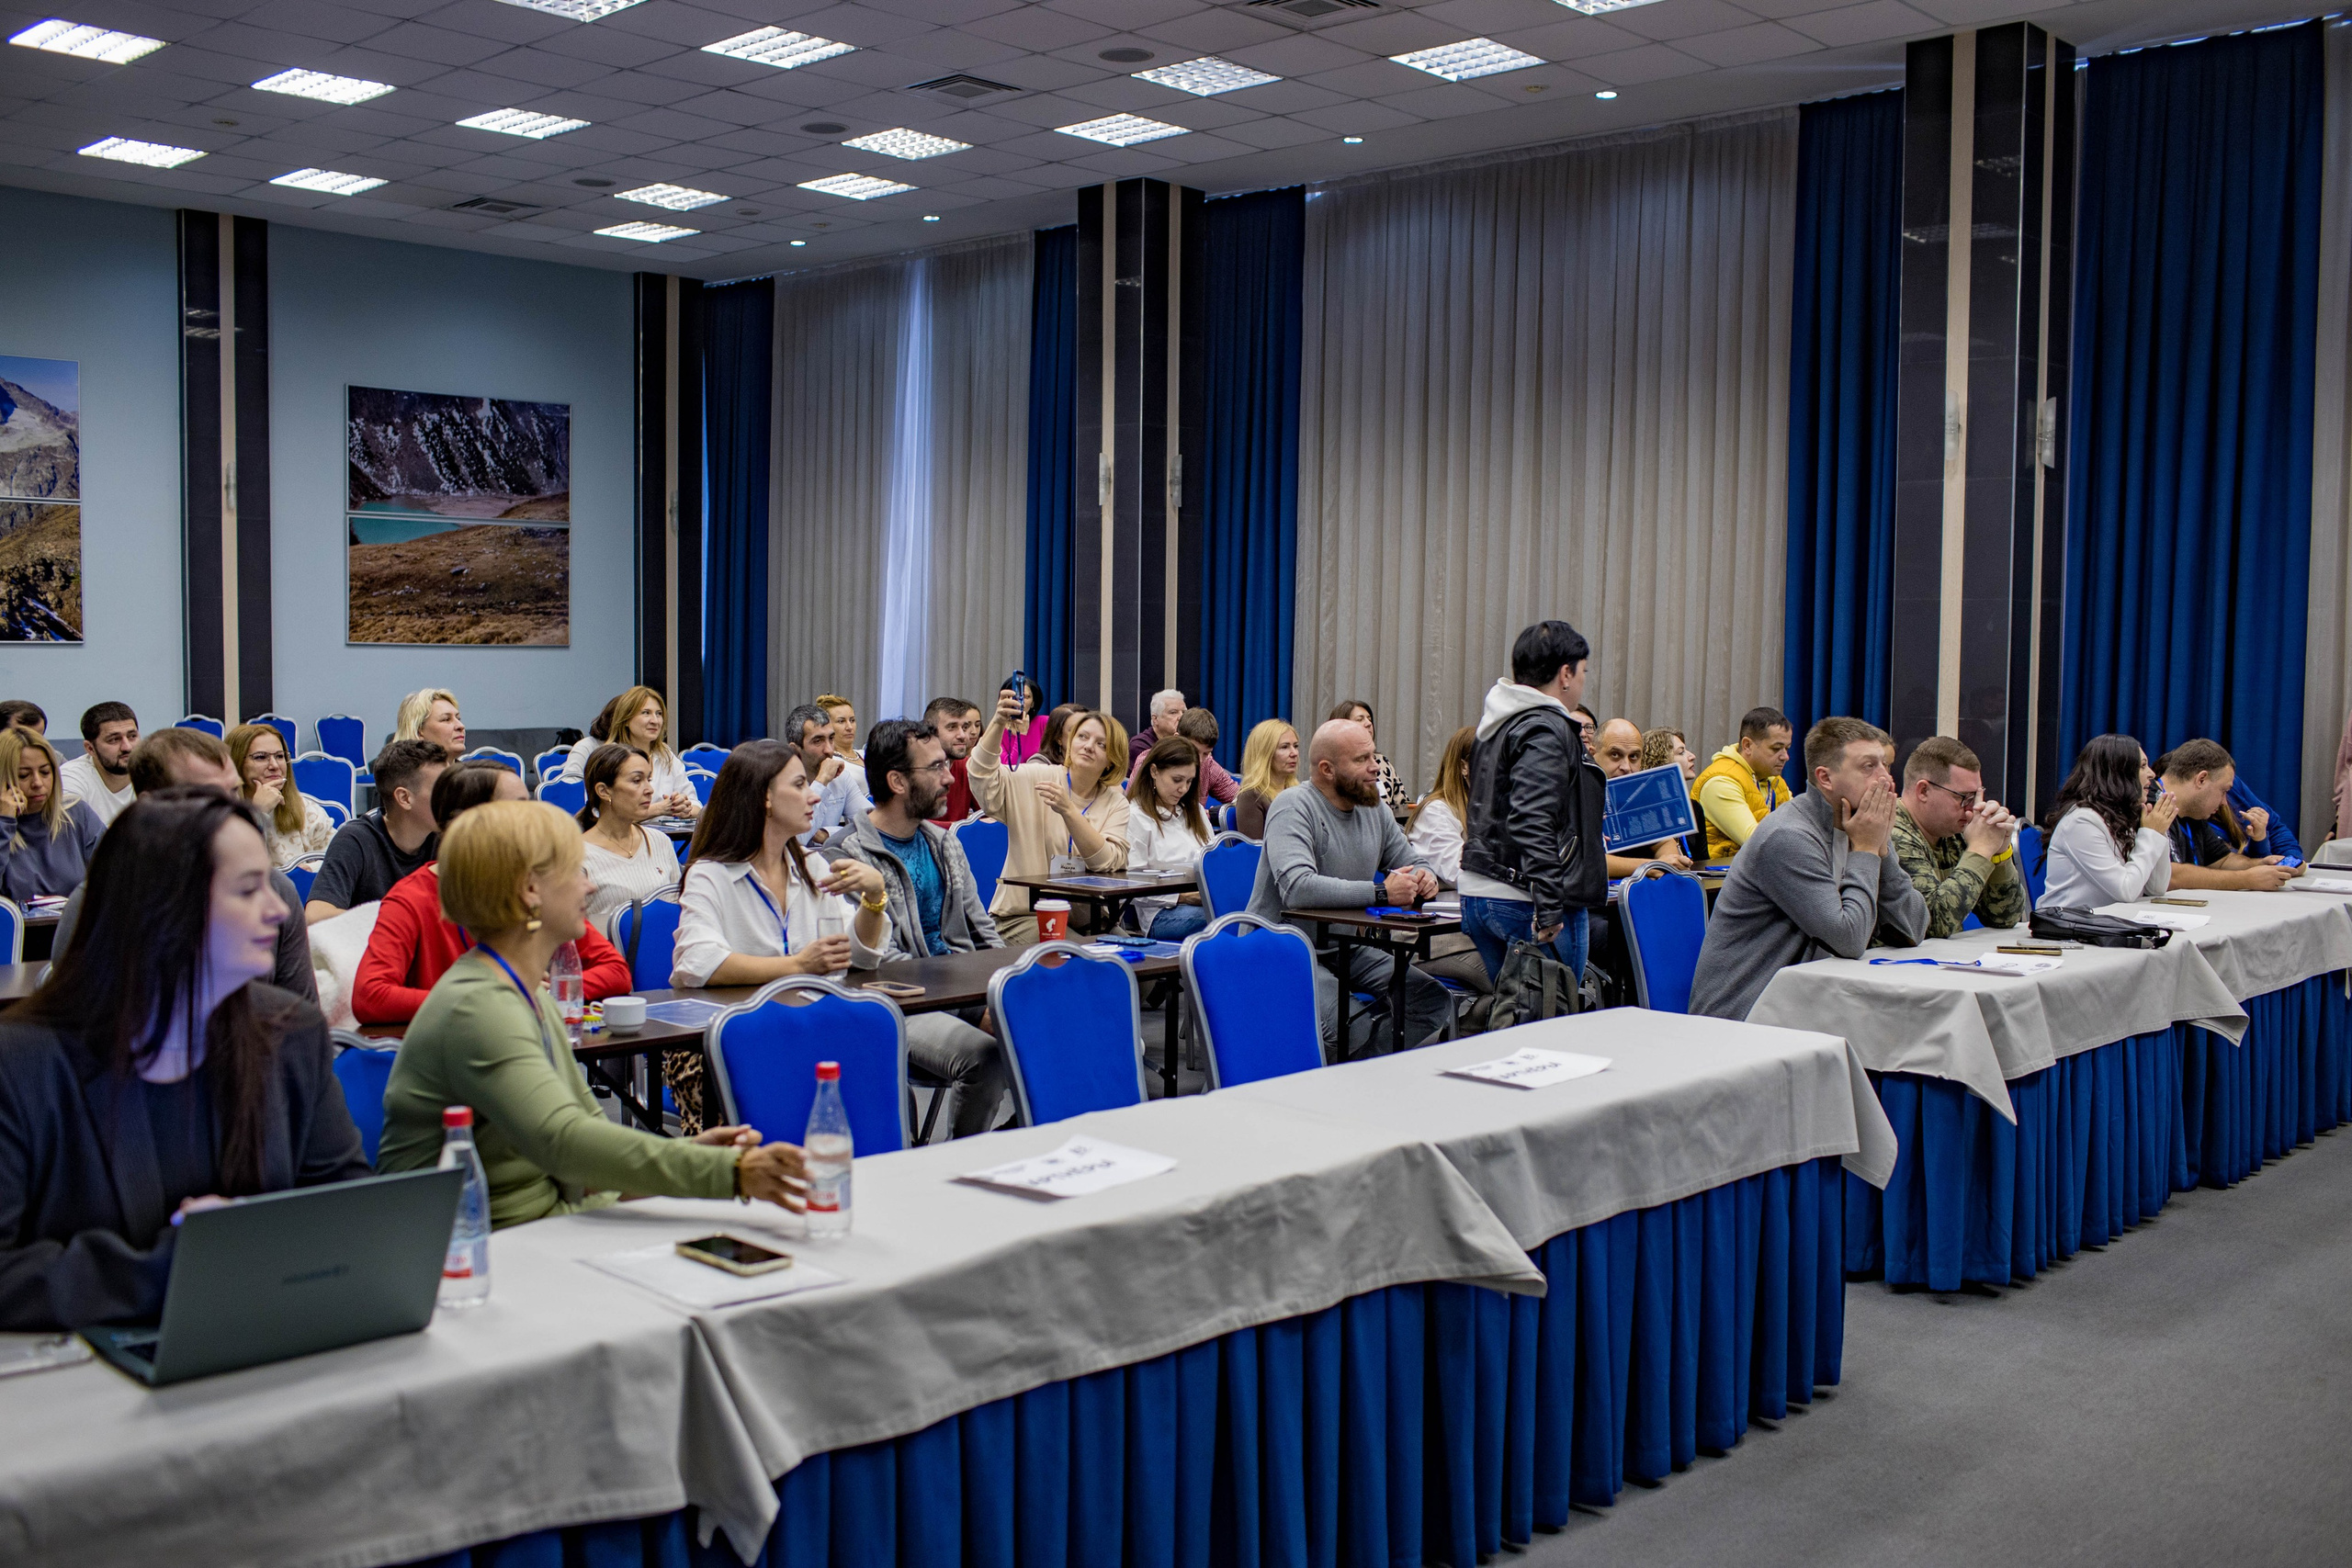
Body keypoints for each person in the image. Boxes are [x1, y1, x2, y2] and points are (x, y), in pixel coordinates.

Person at [0, 789, 369, 1330]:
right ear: (163, 907)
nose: (277, 908)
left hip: (263, 1339)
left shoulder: (289, 1032)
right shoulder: (23, 1063)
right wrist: (178, 1264)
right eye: (248, 889)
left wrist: (254, 1236)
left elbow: (350, 1206)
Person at [377, 801, 807, 1229]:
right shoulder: (477, 1008)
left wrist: (701, 1156)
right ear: (530, 890)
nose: (589, 887)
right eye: (575, 871)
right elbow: (567, 1143)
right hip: (474, 1253)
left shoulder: (528, 994)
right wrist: (727, 1172)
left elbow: (590, 1140)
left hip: (535, 1229)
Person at [830, 719, 1010, 1138]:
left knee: (1048, 1033)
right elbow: (881, 962)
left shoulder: (942, 842)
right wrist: (969, 1001)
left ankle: (1020, 1142)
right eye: (936, 768)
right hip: (895, 1003)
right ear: (897, 781)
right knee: (986, 1057)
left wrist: (1010, 980)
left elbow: (981, 926)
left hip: (958, 986)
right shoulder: (846, 854)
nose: (950, 778)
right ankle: (961, 1161)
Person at [351, 762, 633, 1028]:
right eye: (518, 809)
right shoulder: (411, 898)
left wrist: (542, 992)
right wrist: (493, 997)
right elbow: (371, 997)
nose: (532, 820)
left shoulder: (531, 886)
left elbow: (616, 972)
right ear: (475, 823)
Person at [51, 729, 317, 1003]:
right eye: (207, 796)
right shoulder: (98, 901)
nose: (231, 811)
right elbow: (76, 1027)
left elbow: (301, 1018)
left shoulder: (274, 892)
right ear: (150, 804)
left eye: (233, 791)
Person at [1688, 718, 1928, 1021]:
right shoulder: (1789, 837)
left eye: (1885, 766)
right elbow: (1848, 941)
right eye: (1869, 767)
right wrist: (1867, 850)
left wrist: (1881, 851)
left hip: (1810, 1000)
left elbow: (1914, 928)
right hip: (1747, 1013)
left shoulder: (1862, 824)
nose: (1886, 780)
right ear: (1825, 778)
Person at [1248, 719, 1446, 1054]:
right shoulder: (1293, 806)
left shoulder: (1374, 810)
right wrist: (1382, 893)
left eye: (1374, 756)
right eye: (1361, 760)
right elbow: (1298, 888)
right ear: (1327, 769)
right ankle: (1339, 1088)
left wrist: (1425, 878)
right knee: (1348, 1027)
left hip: (1345, 945)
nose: (1375, 769)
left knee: (1430, 1000)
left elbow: (1414, 861)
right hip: (1284, 947)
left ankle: (1363, 1079)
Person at [1459, 620, 1609, 983]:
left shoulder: (1497, 724)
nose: (1585, 681)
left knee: (1515, 1020)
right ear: (1566, 674)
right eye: (1584, 671)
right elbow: (1531, 818)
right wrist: (1550, 906)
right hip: (1524, 897)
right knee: (1549, 1023)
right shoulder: (1545, 727)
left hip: (1483, 889)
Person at [969, 692, 1131, 943]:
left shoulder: (1115, 801)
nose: (1088, 746)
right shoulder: (1039, 777)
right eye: (1082, 737)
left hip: (1088, 919)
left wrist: (1068, 810)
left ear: (1112, 760)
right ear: (1069, 743)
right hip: (1025, 916)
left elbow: (1107, 861)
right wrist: (999, 722)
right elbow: (982, 777)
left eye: (1101, 744)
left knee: (1140, 965)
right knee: (1083, 959)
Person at [1889, 737, 2029, 938]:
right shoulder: (1892, 832)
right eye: (1963, 798)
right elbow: (1934, 924)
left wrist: (1999, 854)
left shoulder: (1954, 831)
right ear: (1923, 790)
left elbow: (2005, 917)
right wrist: (1980, 849)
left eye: (1977, 797)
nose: (1973, 809)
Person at [304, 739, 448, 922]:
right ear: (404, 798)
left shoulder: (444, 838)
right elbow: (316, 916)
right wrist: (401, 918)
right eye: (441, 789)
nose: (451, 796)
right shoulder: (355, 840)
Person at [1404, 725, 1493, 1004]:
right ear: (1465, 767)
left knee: (1531, 973)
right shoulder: (1436, 811)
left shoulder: (1487, 809)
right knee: (1516, 978)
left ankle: (1473, 1032)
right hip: (1432, 940)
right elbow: (1463, 873)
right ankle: (1470, 1037)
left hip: (1471, 931)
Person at [2039, 734, 2177, 908]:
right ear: (2119, 774)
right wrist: (2151, 834)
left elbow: (2156, 887)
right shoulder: (2081, 822)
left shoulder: (2121, 815)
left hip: (2106, 925)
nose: (2152, 773)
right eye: (2142, 766)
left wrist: (2157, 832)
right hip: (2070, 929)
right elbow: (2126, 890)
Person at [2154, 739, 2300, 893]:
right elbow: (2166, 874)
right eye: (2224, 791)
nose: (2224, 802)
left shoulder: (2193, 813)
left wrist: (2260, 864)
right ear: (2201, 779)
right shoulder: (2149, 803)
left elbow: (2222, 861)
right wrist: (2247, 879)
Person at [577, 741, 684, 933]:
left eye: (649, 780)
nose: (649, 790)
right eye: (637, 781)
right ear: (603, 791)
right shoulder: (578, 855)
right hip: (607, 959)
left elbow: (678, 909)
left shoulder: (660, 841)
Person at [0, 728, 106, 901]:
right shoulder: (3, 826)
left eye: (45, 772)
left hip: (71, 925)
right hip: (19, 928)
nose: (37, 783)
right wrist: (4, 823)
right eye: (23, 775)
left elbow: (117, 875)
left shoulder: (77, 813)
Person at [560, 686, 697, 818]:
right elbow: (601, 816)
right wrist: (659, 809)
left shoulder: (665, 755)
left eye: (659, 714)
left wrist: (683, 808)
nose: (655, 721)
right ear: (626, 720)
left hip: (661, 839)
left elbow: (696, 806)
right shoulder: (607, 757)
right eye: (646, 713)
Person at [1125, 736, 1214, 940]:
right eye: (1177, 780)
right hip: (1161, 913)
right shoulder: (1136, 816)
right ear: (1154, 771)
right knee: (1222, 919)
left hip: (1203, 901)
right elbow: (1133, 886)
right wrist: (1184, 898)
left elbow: (1215, 864)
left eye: (1189, 781)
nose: (1183, 789)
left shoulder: (1197, 812)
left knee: (1244, 914)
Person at [226, 722, 334, 871]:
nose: (274, 766)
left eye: (280, 756)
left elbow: (340, 858)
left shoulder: (307, 810)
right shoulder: (219, 813)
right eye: (260, 757)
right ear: (237, 762)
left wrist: (310, 870)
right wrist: (257, 813)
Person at [1693, 707, 1795, 864]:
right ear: (1747, 745)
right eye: (1776, 748)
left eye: (1787, 748)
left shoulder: (1775, 781)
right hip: (1721, 884)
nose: (1785, 757)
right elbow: (1757, 842)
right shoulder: (1720, 781)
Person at [1591, 718, 1692, 875]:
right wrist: (1650, 866)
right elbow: (1586, 860)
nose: (1626, 767)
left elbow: (1664, 842)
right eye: (1615, 755)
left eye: (1634, 757)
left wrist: (1670, 861)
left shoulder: (1639, 794)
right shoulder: (1575, 793)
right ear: (1593, 754)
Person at [784, 702, 866, 848]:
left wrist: (826, 834)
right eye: (818, 741)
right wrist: (821, 782)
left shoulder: (842, 778)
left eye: (831, 738)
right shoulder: (781, 782)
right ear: (795, 750)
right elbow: (797, 840)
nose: (829, 750)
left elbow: (873, 826)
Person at [1125, 706, 1239, 807]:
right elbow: (1134, 806)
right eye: (1193, 750)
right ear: (1176, 738)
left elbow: (1239, 798)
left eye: (1206, 753)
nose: (1199, 760)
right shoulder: (1148, 760)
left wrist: (1210, 814)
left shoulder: (1208, 765)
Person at [57, 702, 137, 828]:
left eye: (132, 736)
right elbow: (74, 837)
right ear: (90, 749)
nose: (127, 747)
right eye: (114, 739)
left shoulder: (157, 773)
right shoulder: (71, 778)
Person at [1235, 719, 1301, 840]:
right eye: (1284, 747)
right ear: (1265, 754)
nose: (1294, 753)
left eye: (1295, 746)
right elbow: (1255, 854)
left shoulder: (1298, 792)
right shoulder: (1251, 796)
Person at [1328, 700, 1400, 807]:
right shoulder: (1334, 765)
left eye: (1369, 719)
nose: (1369, 723)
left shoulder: (1382, 762)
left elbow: (1402, 804)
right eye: (1360, 719)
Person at [922, 696, 982, 824]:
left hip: (957, 843)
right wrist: (959, 828)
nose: (963, 735)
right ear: (930, 732)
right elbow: (915, 827)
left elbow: (989, 814)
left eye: (964, 727)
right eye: (952, 727)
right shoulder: (915, 769)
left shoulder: (967, 766)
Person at [390, 688, 466, 755]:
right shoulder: (395, 770)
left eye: (458, 718)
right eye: (446, 719)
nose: (461, 726)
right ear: (418, 732)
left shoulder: (472, 770)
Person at [998, 676, 1046, 766]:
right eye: (1015, 696)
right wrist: (1022, 734)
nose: (1020, 701)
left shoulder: (1045, 723)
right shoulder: (998, 730)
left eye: (1026, 697)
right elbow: (1011, 767)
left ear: (1033, 703)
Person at [1132, 690, 1186, 766]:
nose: (1181, 717)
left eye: (1184, 712)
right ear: (1155, 719)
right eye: (1173, 712)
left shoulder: (1187, 740)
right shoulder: (1140, 746)